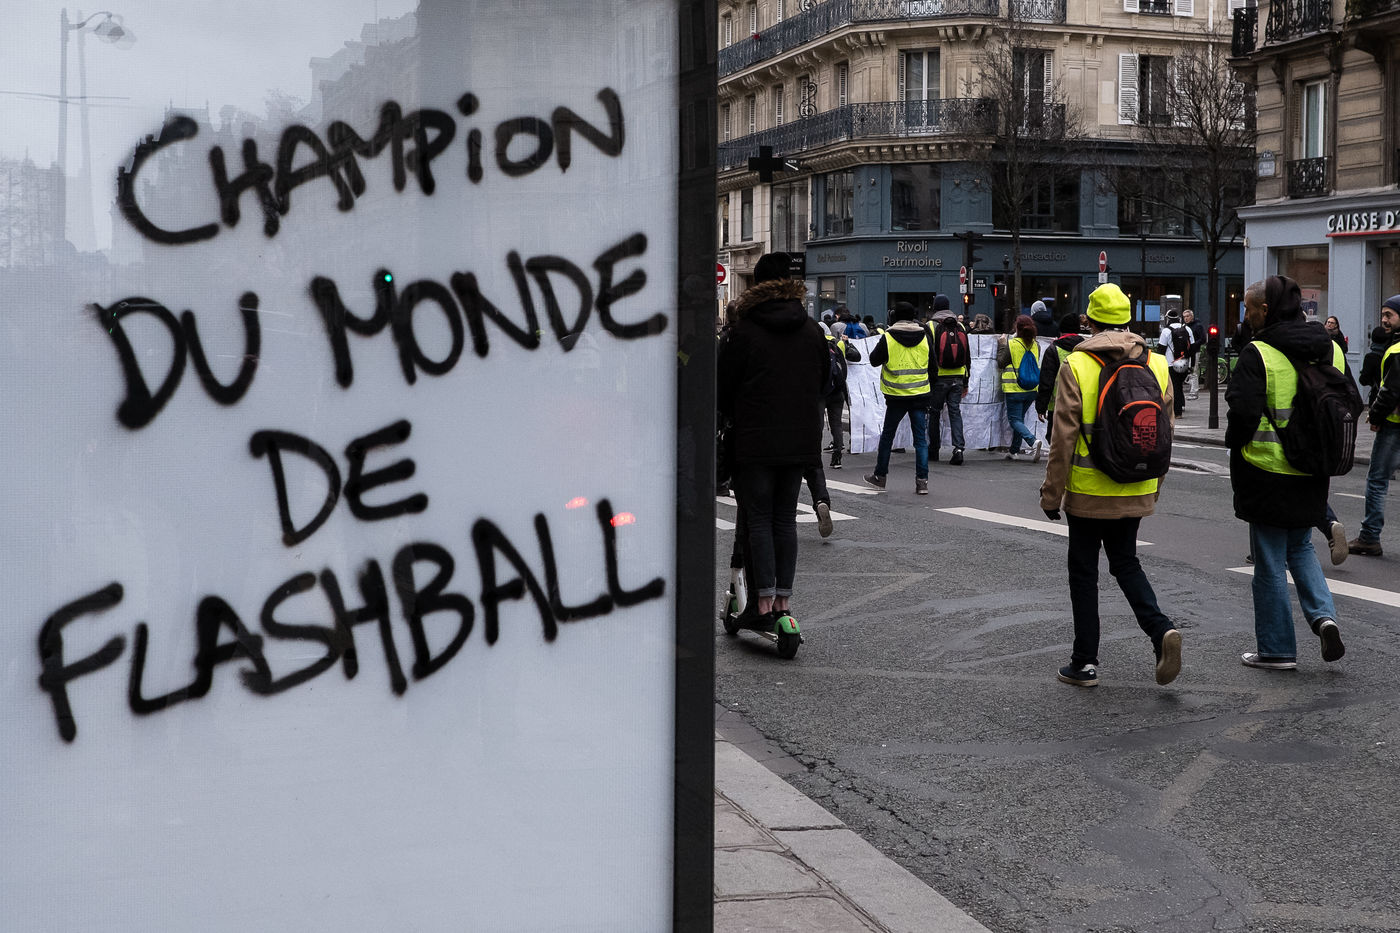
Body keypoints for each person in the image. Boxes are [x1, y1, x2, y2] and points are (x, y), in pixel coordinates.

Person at [1039, 282, 1181, 688]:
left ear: (1090, 321)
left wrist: (1052, 494)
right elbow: (1164, 435)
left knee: (1084, 571)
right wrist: (1154, 487)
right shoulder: (1156, 364)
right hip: (1136, 484)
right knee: (1126, 563)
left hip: (1088, 490)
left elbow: (1062, 438)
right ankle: (1160, 630)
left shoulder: (1077, 364)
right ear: (1128, 320)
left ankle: (1084, 662)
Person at [1225, 276, 1347, 669]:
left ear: (1266, 309)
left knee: (1270, 563)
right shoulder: (1330, 348)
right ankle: (1324, 617)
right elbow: (1350, 402)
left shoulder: (1258, 353)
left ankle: (1277, 649)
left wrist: (1235, 445)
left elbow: (1242, 415)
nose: (1246, 315)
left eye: (1249, 309)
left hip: (1267, 469)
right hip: (1313, 470)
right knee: (1302, 546)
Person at [717, 251, 829, 625]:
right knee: (785, 519)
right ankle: (783, 602)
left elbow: (723, 386)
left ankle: (761, 603)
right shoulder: (811, 330)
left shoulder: (745, 330)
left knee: (759, 519)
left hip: (754, 441)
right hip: (799, 440)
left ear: (757, 285)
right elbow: (825, 381)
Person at [1349, 296, 1400, 557]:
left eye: (1389, 315)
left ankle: (1369, 537)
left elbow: (1389, 391)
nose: (1383, 320)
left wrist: (1376, 417)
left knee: (1377, 480)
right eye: (1382, 314)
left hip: (1394, 425)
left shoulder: (1396, 350)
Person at [864, 301, 933, 494]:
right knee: (920, 440)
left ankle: (880, 476)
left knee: (888, 437)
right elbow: (933, 367)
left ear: (894, 316)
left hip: (896, 396)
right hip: (919, 395)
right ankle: (922, 482)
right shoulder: (925, 336)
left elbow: (874, 360)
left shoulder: (888, 337)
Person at [926, 294, 969, 466]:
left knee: (934, 412)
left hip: (939, 377)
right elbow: (967, 355)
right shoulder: (960, 326)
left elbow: (929, 354)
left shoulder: (930, 326)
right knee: (955, 412)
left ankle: (933, 449)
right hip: (958, 376)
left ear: (935, 307)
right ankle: (958, 448)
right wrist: (966, 381)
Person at [996, 314, 1042, 461]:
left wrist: (1002, 345)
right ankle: (1014, 450)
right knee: (1019, 419)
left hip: (1014, 389)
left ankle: (1032, 441)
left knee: (1014, 420)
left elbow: (1001, 363)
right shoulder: (1036, 345)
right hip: (1031, 389)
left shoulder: (1012, 344)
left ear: (1017, 328)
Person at [1035, 312, 1086, 444]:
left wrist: (1041, 407)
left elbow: (1046, 381)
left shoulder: (1053, 350)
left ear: (1061, 330)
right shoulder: (1086, 348)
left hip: (1057, 405)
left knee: (1055, 440)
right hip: (1082, 403)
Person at [823, 323, 862, 470]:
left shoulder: (815, 344)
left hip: (822, 392)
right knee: (837, 424)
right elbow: (856, 357)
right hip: (838, 390)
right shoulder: (839, 343)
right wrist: (847, 342)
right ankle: (837, 456)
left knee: (818, 424)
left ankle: (814, 459)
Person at [1160, 308, 1192, 417]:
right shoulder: (1187, 329)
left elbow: (1161, 348)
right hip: (1184, 362)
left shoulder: (1166, 331)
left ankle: (1177, 412)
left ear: (1168, 318)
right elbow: (1192, 346)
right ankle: (1181, 405)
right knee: (1179, 385)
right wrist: (1191, 363)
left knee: (1174, 387)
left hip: (1171, 363)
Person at [1360, 324, 1389, 409]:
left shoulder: (1370, 358)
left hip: (1376, 396)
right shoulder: (1390, 354)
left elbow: (1363, 380)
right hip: (1391, 396)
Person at [1184, 309, 1206, 400]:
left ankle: (1194, 392)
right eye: (1184, 317)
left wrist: (1194, 345)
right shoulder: (1185, 326)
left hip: (1194, 351)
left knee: (1193, 371)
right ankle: (1192, 389)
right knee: (1188, 371)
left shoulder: (1198, 326)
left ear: (1192, 317)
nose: (1186, 318)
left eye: (1187, 316)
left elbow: (1203, 339)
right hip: (1187, 352)